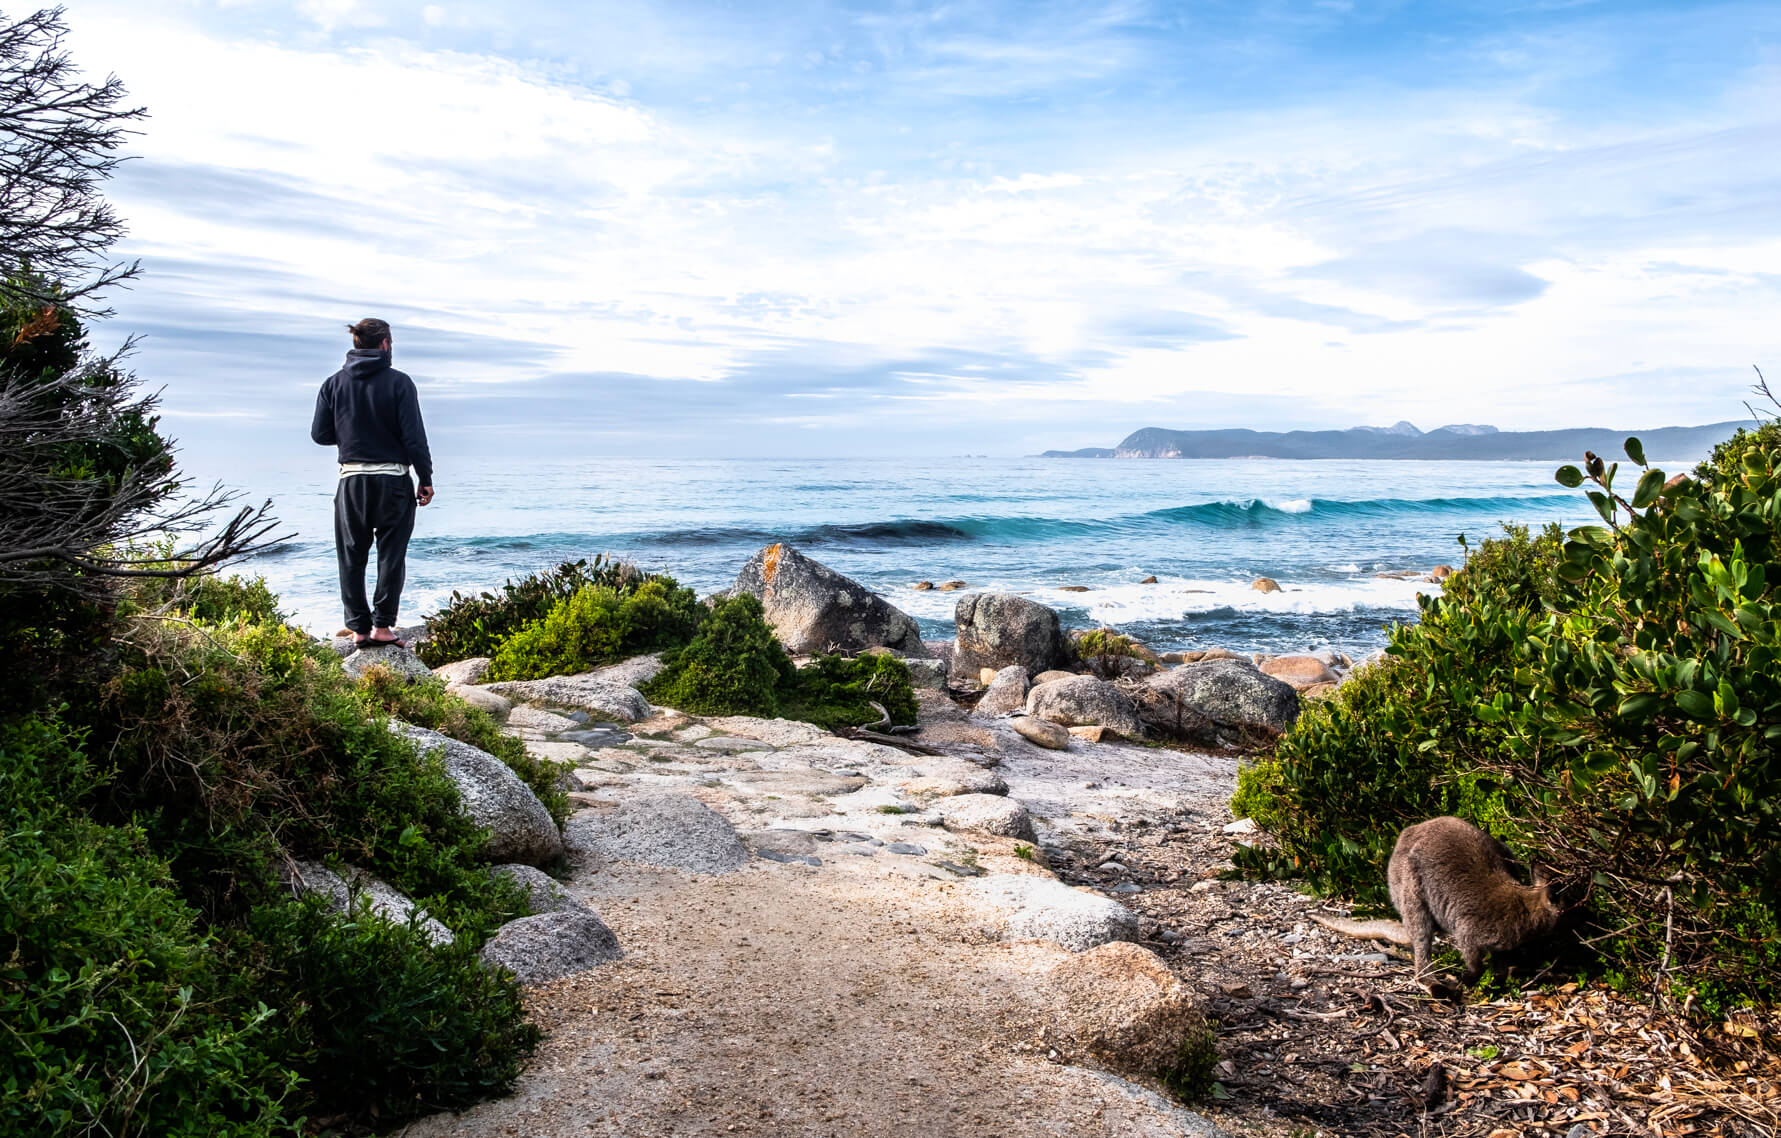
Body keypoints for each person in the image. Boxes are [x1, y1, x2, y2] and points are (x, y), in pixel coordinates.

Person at [310, 317, 434, 648]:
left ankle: (359, 630)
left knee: (351, 556)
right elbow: (414, 438)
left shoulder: (333, 384)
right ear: (385, 345)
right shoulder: (400, 383)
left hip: (351, 481)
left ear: (356, 345)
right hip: (393, 480)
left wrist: (353, 431)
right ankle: (382, 627)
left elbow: (320, 435)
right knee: (391, 556)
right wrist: (426, 477)